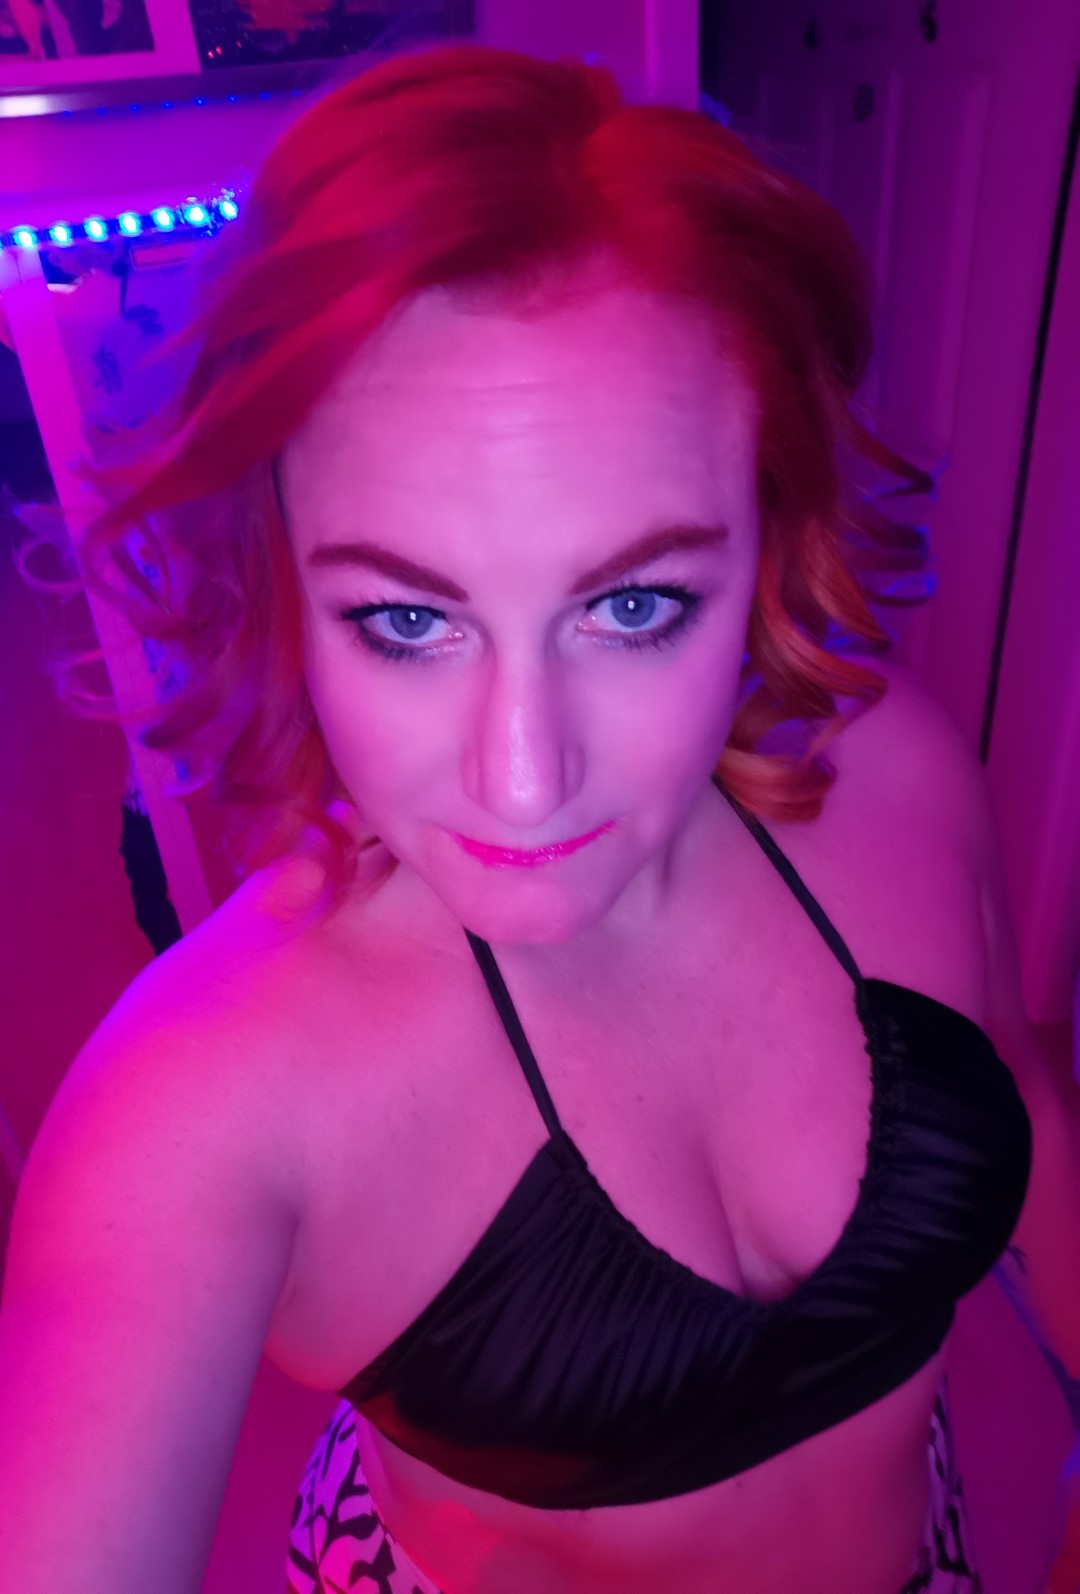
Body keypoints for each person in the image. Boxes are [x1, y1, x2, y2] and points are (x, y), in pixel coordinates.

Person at [0, 43, 1077, 1594]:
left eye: (633, 604)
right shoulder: (199, 1105)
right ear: (286, 586)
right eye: (407, 620)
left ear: (766, 535)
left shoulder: (891, 777)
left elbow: (1021, 1101)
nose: (523, 779)